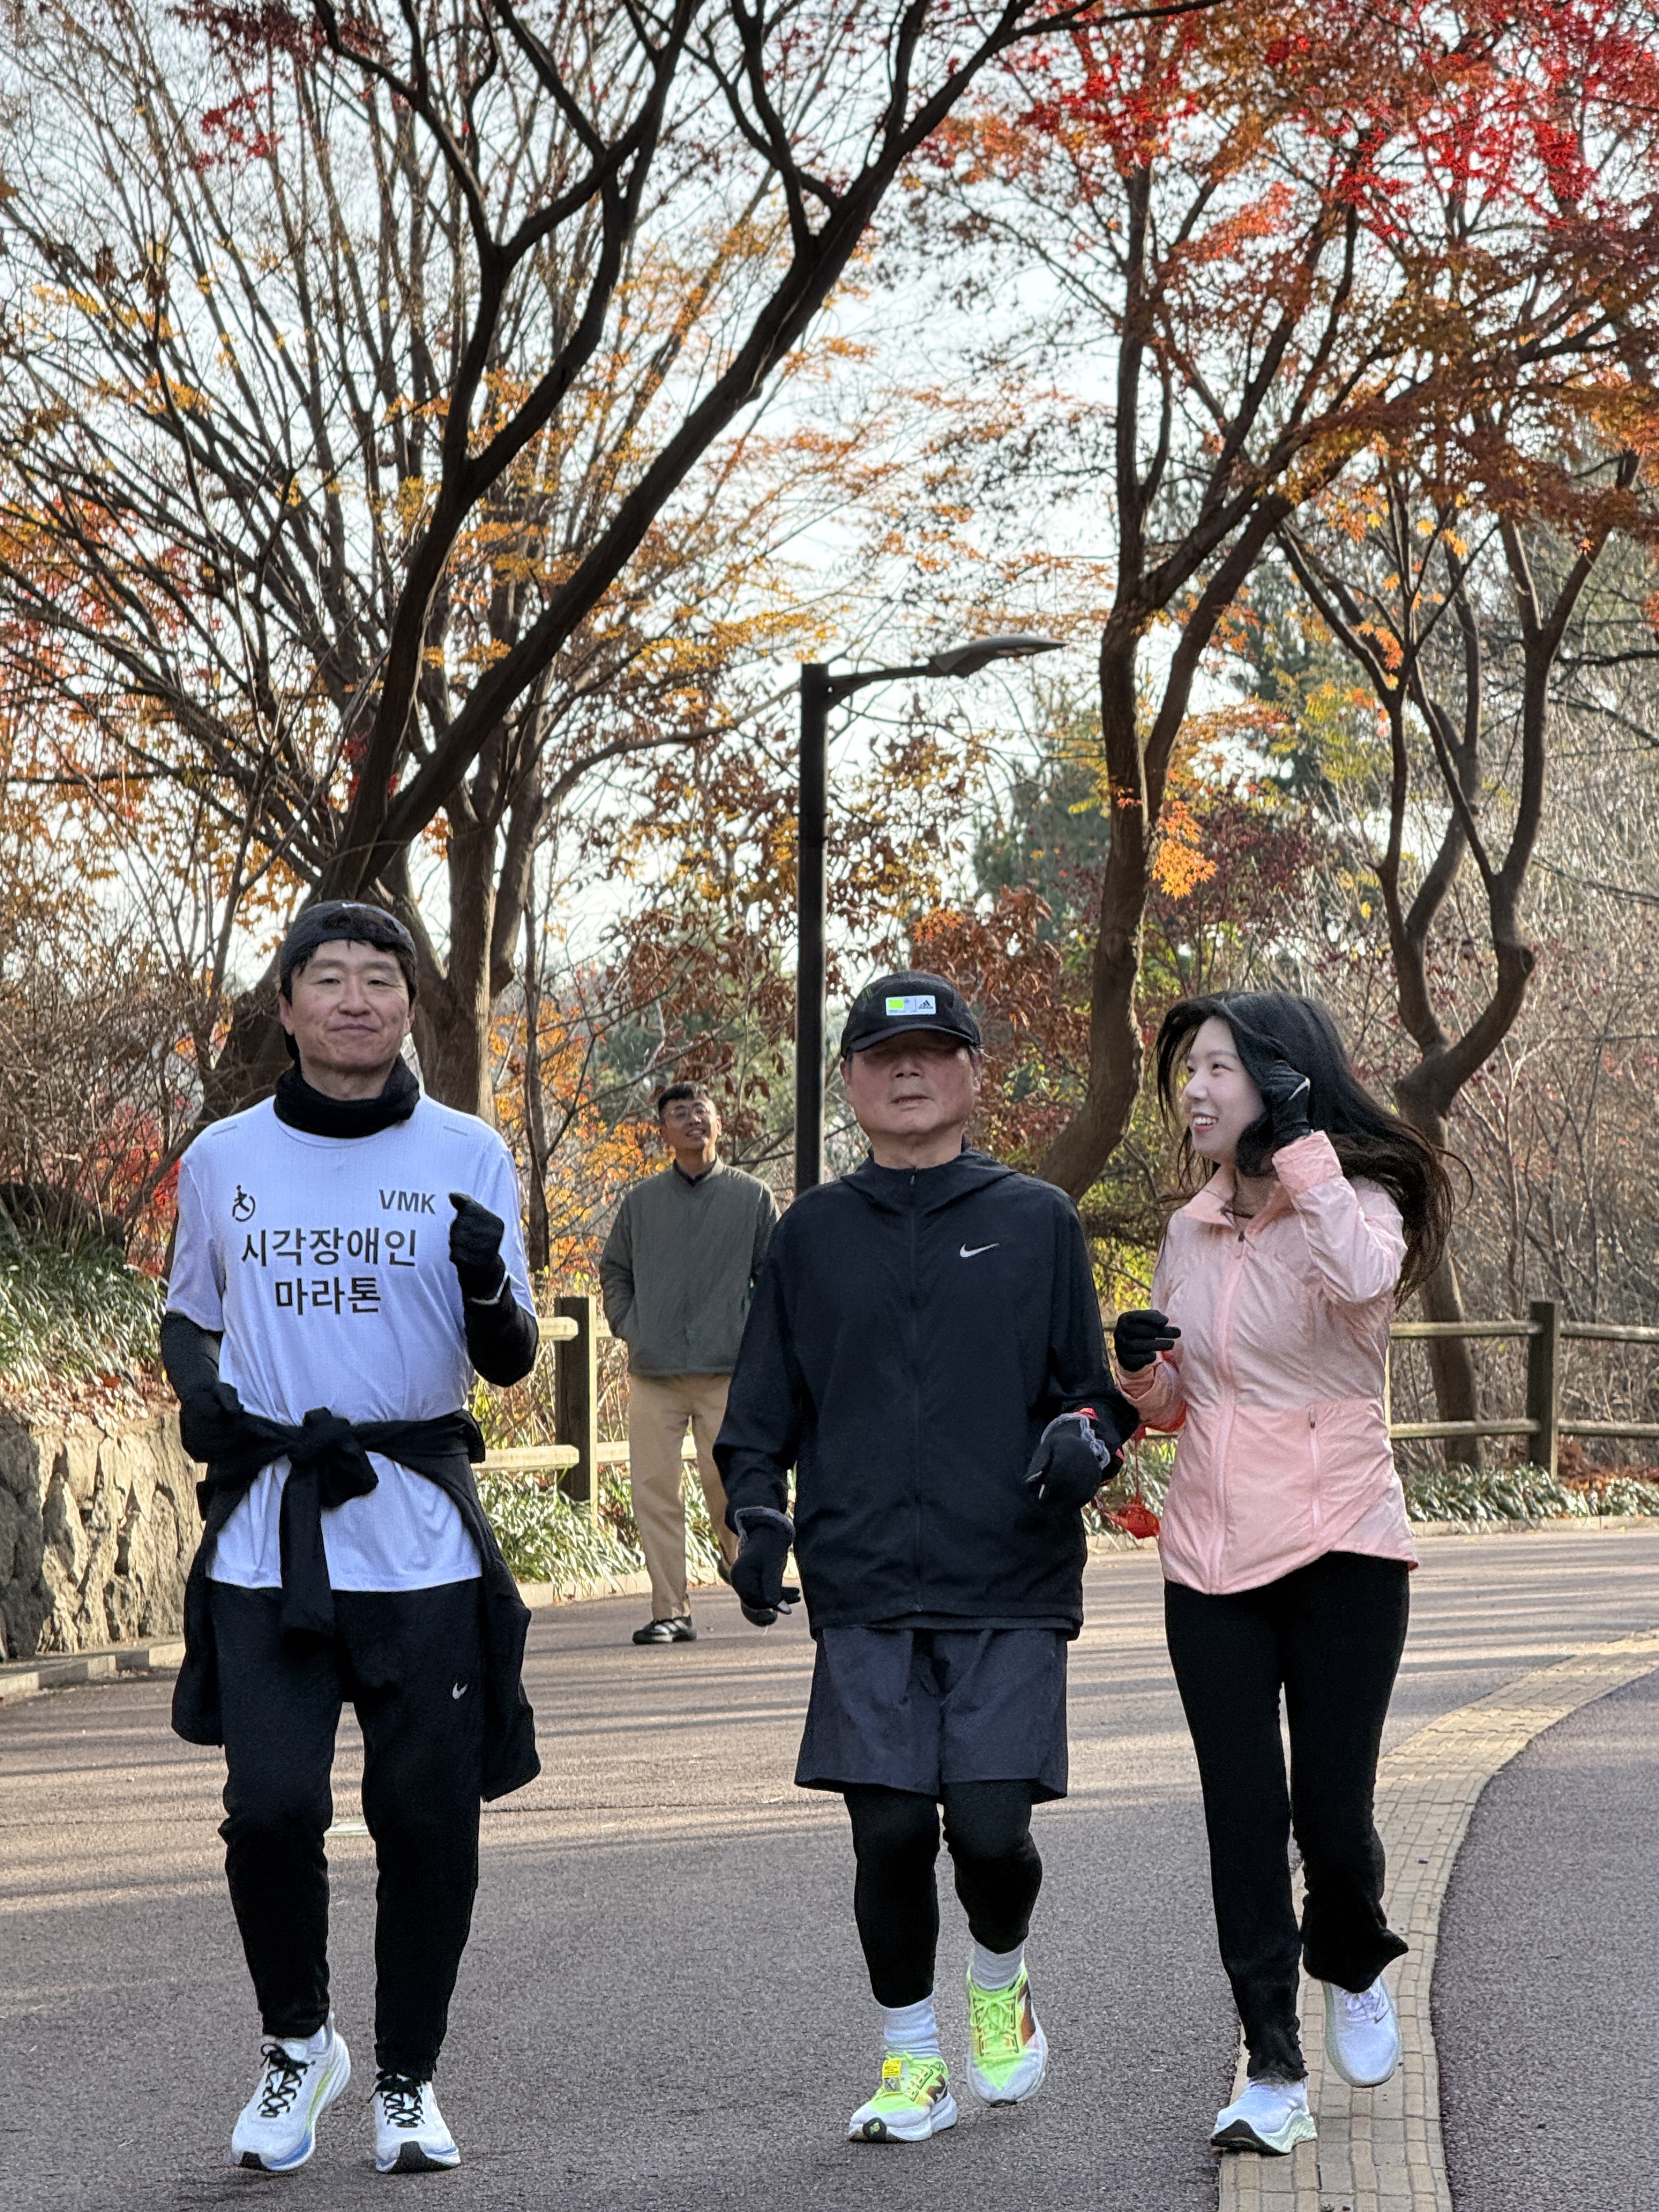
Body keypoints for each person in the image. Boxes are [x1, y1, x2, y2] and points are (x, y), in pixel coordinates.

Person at [716, 970, 1138, 2144]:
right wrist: (756, 1516)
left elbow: (1093, 1392)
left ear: (973, 1074)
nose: (909, 1069)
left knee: (992, 1831)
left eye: (936, 1050)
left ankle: (999, 1976)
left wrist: (1084, 1437)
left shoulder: (1035, 1220)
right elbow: (760, 1412)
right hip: (864, 1583)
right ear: (850, 1081)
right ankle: (911, 2061)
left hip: (1009, 1575)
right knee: (891, 1832)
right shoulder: (809, 1235)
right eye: (881, 1054)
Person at [162, 901, 541, 2176]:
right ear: (286, 1004)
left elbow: (509, 1356)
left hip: (419, 1536)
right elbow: (189, 1311)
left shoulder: (468, 1150)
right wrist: (200, 1392)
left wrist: (483, 1280)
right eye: (329, 978)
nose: (356, 999)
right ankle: (298, 2041)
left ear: (409, 1006)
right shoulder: (223, 1156)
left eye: (381, 979)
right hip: (270, 1539)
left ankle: (406, 2077)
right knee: (269, 1810)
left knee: (425, 1819)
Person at [1112, 992, 1455, 2158]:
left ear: (1282, 1077)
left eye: (1218, 1066)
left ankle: (1350, 1958)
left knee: (1330, 1815)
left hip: (1340, 1544)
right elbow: (1184, 1402)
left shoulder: (1356, 1203)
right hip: (1208, 1556)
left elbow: (1361, 1286)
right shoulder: (1189, 1227)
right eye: (1186, 1070)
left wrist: (1303, 1149)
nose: (1193, 1089)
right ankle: (1270, 2063)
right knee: (1244, 1817)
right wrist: (1144, 1379)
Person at [600, 1081, 779, 1645]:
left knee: (727, 1486)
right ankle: (670, 1610)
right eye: (680, 1113)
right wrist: (632, 1325)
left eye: (702, 1110)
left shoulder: (752, 1198)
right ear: (664, 1133)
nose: (693, 1119)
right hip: (654, 1372)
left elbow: (774, 1281)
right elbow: (615, 1270)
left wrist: (753, 1340)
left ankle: (743, 1568)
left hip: (727, 1371)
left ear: (718, 1124)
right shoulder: (642, 1203)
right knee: (655, 1492)